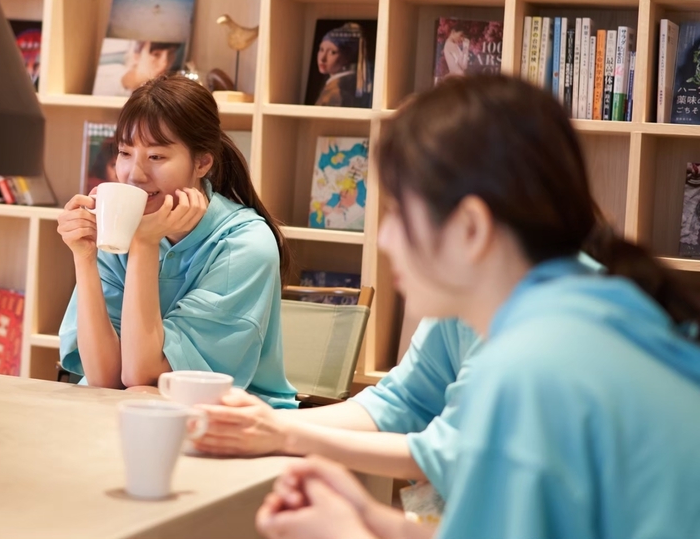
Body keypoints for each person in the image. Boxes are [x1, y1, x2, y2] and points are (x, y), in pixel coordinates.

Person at [255, 74, 700, 539]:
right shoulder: (593, 311)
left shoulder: (528, 365)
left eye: (396, 213)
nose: (385, 239)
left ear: (470, 228)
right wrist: (372, 520)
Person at [56, 76, 297, 407]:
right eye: (125, 153)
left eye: (156, 157)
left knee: (141, 397)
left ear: (202, 162)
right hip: (125, 408)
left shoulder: (246, 245)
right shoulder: (121, 223)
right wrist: (83, 256)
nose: (134, 174)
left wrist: (144, 243)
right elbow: (103, 377)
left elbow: (141, 374)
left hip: (237, 420)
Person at [194, 316, 480, 501]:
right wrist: (267, 421)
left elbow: (451, 456)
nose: (385, 239)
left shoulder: (515, 340)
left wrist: (285, 433)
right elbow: (402, 401)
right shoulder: (456, 312)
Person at [92, 40, 183, 97]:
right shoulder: (103, 80)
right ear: (136, 56)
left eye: (171, 53)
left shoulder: (170, 94)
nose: (165, 63)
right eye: (156, 54)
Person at [309, 23, 365, 108]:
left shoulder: (336, 92)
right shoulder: (333, 86)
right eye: (321, 49)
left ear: (347, 57)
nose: (322, 58)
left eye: (332, 52)